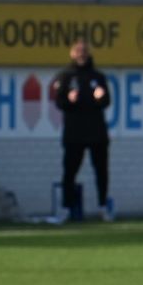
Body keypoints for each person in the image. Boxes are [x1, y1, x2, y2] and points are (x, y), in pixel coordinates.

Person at [51, 39, 113, 223]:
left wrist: (100, 98)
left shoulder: (98, 76)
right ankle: (66, 208)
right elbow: (59, 103)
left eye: (84, 51)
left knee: (101, 171)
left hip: (97, 132)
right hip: (74, 133)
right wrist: (69, 99)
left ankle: (103, 207)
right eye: (78, 51)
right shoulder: (65, 76)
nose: (81, 54)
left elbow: (107, 101)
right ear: (72, 53)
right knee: (69, 172)